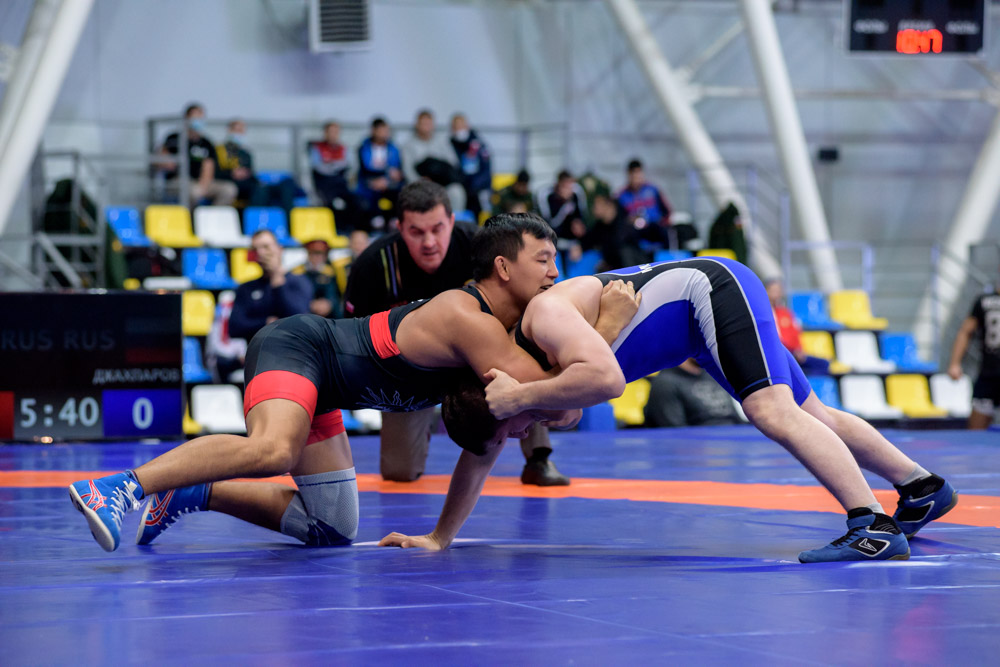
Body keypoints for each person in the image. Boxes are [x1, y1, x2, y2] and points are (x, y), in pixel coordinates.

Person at [67, 214, 611, 553]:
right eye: (544, 259)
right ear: (504, 268)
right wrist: (606, 328)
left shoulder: (504, 341)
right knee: (273, 449)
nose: (555, 273)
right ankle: (118, 488)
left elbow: (491, 440)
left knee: (330, 528)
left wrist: (439, 537)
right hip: (300, 347)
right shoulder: (469, 320)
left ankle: (192, 489)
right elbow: (568, 401)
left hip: (326, 389)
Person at [383, 257, 959, 563]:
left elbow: (602, 383)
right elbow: (481, 454)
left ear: (500, 393)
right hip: (701, 327)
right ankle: (921, 488)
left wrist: (524, 399)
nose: (519, 435)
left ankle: (871, 526)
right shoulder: (514, 388)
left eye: (511, 428)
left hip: (711, 292)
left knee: (771, 410)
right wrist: (439, 537)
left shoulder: (538, 333)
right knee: (813, 413)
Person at [344, 182, 569, 485]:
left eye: (437, 229)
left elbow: (525, 300)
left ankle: (538, 457)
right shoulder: (373, 265)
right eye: (416, 232)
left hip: (482, 354)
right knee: (399, 472)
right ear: (400, 228)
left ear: (451, 221)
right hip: (411, 371)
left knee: (526, 348)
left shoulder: (479, 245)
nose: (429, 242)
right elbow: (356, 338)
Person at [229, 230, 312, 342]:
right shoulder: (246, 288)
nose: (260, 252)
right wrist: (265, 323)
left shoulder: (299, 281)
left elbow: (299, 320)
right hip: (258, 351)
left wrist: (277, 279)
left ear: (280, 249)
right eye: (255, 249)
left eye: (266, 247)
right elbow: (235, 327)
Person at [159, 103, 237, 207]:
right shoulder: (174, 138)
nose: (198, 121)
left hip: (200, 182)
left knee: (228, 189)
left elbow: (208, 167)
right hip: (178, 181)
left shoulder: (206, 143)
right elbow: (163, 159)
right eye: (195, 117)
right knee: (194, 191)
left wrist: (203, 186)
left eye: (201, 118)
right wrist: (169, 163)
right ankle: (190, 216)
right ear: (186, 118)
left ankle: (210, 215)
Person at [947, 284, 1000, 429]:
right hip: (989, 372)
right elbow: (966, 332)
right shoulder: (984, 300)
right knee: (976, 430)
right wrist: (954, 363)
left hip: (989, 372)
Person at [643, 359, 742, 427]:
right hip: (701, 445)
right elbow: (674, 430)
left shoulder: (712, 374)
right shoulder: (666, 383)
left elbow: (734, 416)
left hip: (732, 438)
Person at [402, 109, 465, 211]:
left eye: (429, 123)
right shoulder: (408, 145)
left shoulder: (443, 142)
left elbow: (453, 163)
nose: (426, 127)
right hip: (421, 185)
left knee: (457, 191)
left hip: (442, 184)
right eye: (423, 124)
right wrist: (421, 181)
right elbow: (407, 170)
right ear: (417, 125)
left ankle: (454, 220)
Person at [765, 278, 830, 375]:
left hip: (793, 353)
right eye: (773, 290)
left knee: (823, 364)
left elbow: (795, 333)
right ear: (766, 291)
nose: (777, 294)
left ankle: (802, 379)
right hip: (777, 354)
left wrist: (798, 349)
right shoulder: (764, 314)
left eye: (778, 291)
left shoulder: (785, 313)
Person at [309, 121, 361, 233]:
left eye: (336, 132)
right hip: (324, 186)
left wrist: (331, 165)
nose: (333, 135)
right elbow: (318, 167)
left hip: (341, 185)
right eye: (331, 132)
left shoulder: (344, 149)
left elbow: (349, 166)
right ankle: (335, 231)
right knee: (332, 205)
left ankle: (352, 231)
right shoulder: (317, 149)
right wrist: (336, 166)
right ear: (325, 133)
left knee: (356, 202)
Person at [356, 117, 404, 232]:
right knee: (370, 192)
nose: (384, 134)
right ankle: (375, 219)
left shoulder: (393, 149)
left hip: (389, 183)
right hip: (369, 182)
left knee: (400, 191)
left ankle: (394, 219)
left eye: (386, 131)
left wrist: (387, 179)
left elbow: (396, 169)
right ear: (374, 131)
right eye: (381, 130)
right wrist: (378, 179)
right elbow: (366, 168)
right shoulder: (364, 147)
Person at [450, 113, 492, 217]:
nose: (459, 129)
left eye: (461, 126)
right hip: (460, 186)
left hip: (477, 188)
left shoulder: (479, 145)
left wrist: (474, 185)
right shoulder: (449, 145)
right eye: (456, 127)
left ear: (467, 126)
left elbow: (486, 170)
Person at [291, 238, 345, 319]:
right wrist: (310, 304)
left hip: (328, 313)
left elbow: (334, 293)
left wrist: (329, 304)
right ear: (308, 254)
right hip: (305, 310)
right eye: (314, 254)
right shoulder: (297, 272)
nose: (317, 258)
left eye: (321, 254)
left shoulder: (330, 272)